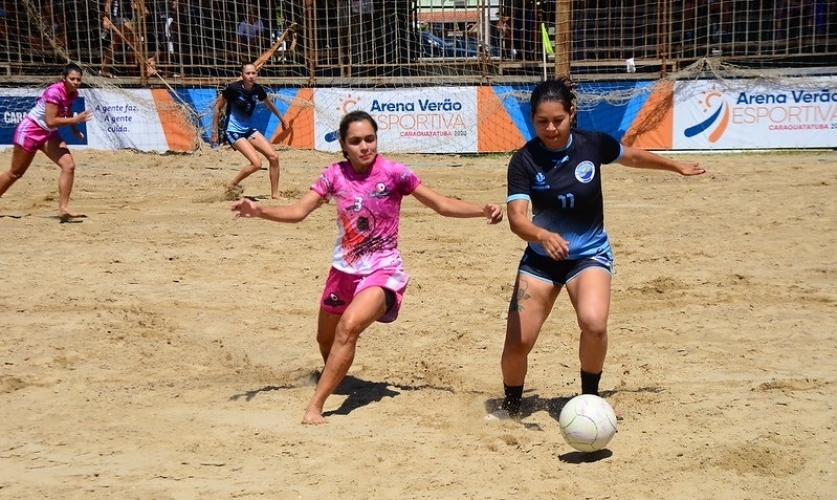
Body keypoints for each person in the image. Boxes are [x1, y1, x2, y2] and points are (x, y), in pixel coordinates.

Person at [230, 110, 504, 424]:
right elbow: (297, 212)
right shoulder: (334, 175)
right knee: (326, 340)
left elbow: (441, 204)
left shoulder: (395, 173)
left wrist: (480, 209)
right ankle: (337, 374)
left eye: (370, 139)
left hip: (383, 272)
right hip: (342, 272)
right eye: (356, 141)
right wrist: (259, 210)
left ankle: (315, 406)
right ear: (344, 146)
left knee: (348, 328)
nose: (365, 146)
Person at [486, 78, 706, 421]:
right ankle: (511, 405)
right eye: (542, 121)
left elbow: (631, 156)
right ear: (532, 119)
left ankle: (591, 398)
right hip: (541, 262)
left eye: (557, 119)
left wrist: (674, 166)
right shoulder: (524, 160)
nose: (550, 127)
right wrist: (542, 235)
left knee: (594, 324)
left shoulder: (592, 144)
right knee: (517, 343)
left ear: (571, 114)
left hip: (589, 256)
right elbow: (517, 220)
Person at [0, 63, 93, 220]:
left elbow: (67, 111)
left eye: (78, 79)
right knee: (16, 173)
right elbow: (51, 121)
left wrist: (74, 128)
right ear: (64, 78)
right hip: (30, 132)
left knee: (68, 166)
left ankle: (63, 208)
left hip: (48, 134)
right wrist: (76, 119)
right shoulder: (54, 92)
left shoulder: (73, 93)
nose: (75, 82)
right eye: (72, 79)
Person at [211, 62, 289, 199]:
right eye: (248, 73)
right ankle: (232, 185)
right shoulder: (233, 89)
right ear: (242, 75)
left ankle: (275, 194)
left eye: (253, 73)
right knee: (257, 164)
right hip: (233, 131)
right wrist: (214, 132)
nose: (251, 76)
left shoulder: (257, 89)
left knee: (274, 157)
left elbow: (270, 105)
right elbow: (217, 108)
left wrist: (282, 119)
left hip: (247, 129)